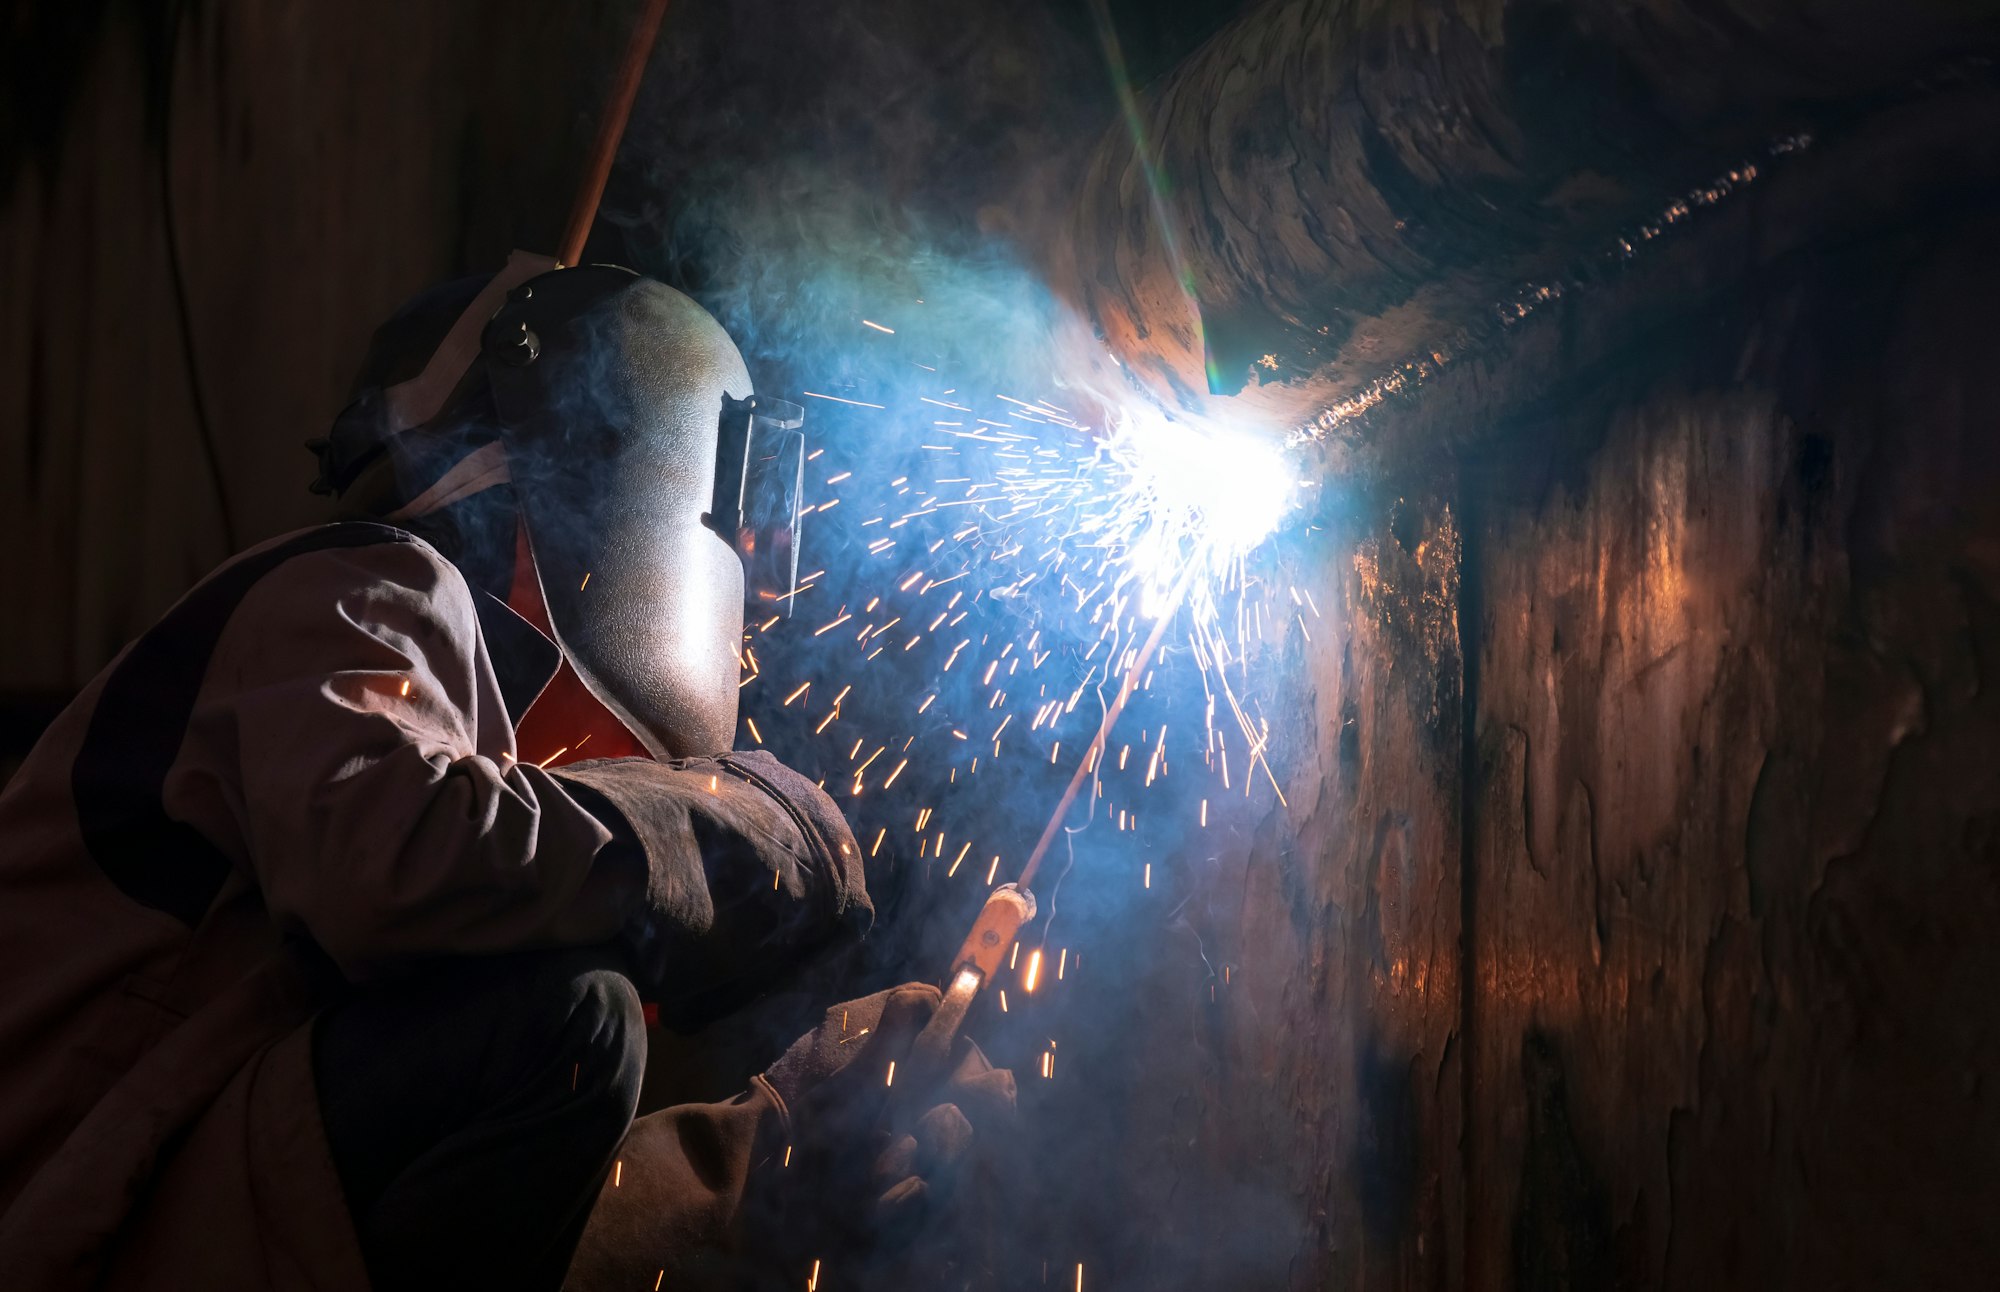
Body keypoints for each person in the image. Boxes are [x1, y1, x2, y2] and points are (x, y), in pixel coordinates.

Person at [0, 258, 1011, 1290]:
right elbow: (386, 860)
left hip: (153, 1233)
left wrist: (783, 1156)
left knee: (570, 1020)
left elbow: (533, 1242)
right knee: (574, 1015)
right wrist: (728, 825)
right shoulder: (360, 589)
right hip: (51, 1232)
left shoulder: (467, 903)